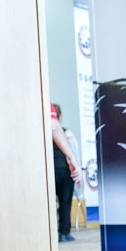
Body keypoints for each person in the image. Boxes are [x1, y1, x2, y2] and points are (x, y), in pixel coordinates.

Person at [48, 103, 83, 243]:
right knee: (65, 203)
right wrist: (74, 162)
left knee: (48, 203)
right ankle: (64, 233)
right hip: (65, 170)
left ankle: (50, 234)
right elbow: (73, 149)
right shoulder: (66, 133)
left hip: (49, 171)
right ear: (59, 116)